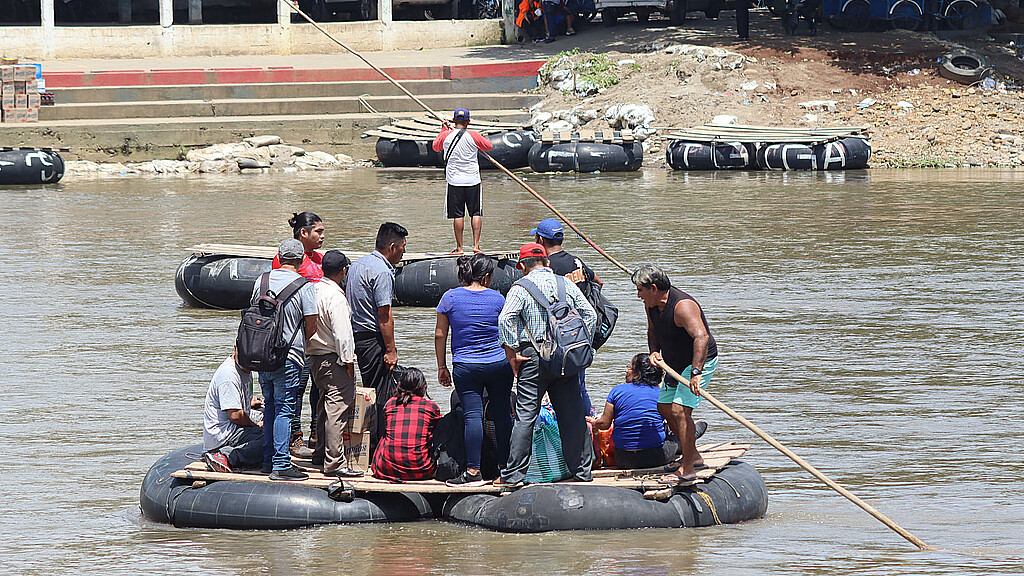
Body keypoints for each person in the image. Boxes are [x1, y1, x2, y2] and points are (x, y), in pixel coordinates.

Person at [498, 243, 597, 488]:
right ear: (548, 263)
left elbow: (505, 319)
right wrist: (583, 346)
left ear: (521, 266)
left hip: (532, 357)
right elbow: (591, 316)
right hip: (566, 358)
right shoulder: (566, 284)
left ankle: (514, 476)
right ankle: (582, 471)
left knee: (526, 416)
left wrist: (512, 352)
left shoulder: (520, 288)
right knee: (573, 416)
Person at [633, 264, 718, 487]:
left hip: (698, 362)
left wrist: (696, 373)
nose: (638, 295)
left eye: (640, 290)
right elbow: (652, 331)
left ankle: (687, 469)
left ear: (653, 288)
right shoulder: (651, 305)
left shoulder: (683, 307)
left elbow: (702, 338)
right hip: (674, 363)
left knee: (681, 410)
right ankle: (695, 456)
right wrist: (654, 352)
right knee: (664, 407)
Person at [434, 253, 514, 487]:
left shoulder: (449, 298)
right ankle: (505, 469)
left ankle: (473, 471)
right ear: (487, 277)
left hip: (466, 366)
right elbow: (509, 332)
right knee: (501, 416)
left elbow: (440, 334)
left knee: (473, 416)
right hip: (499, 364)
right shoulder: (498, 299)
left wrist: (442, 366)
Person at [253, 238, 318, 481]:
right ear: (301, 260)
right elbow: (311, 325)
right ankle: (281, 464)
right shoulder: (305, 286)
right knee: (285, 408)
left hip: (261, 356)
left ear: (278, 257)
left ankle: (268, 460)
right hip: (289, 356)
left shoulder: (262, 281)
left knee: (269, 405)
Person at [531, 217, 604, 414]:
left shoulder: (547, 267)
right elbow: (599, 282)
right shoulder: (576, 261)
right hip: (581, 332)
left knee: (557, 387)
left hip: (558, 336)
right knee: (580, 384)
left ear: (540, 240)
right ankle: (589, 425)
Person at [347, 222, 408, 450]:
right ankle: (378, 446)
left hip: (357, 337)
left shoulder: (358, 265)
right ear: (392, 247)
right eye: (403, 247)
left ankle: (369, 444)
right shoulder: (382, 272)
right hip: (373, 339)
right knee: (380, 393)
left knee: (369, 389)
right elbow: (384, 315)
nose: (404, 252)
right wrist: (391, 350)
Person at [306, 250, 363, 478]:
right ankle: (334, 463)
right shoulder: (336, 297)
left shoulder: (312, 290)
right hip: (333, 358)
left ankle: (320, 454)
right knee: (336, 411)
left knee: (323, 408)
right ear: (343, 271)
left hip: (315, 358)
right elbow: (343, 335)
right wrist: (348, 362)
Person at [272, 211, 324, 458]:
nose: (323, 236)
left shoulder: (319, 259)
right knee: (294, 390)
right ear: (303, 233)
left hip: (318, 337)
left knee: (318, 388)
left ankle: (316, 433)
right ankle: (294, 438)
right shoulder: (286, 264)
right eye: (318, 231)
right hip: (295, 337)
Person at [588, 353, 677, 470]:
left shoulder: (617, 391)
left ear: (637, 374)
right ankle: (693, 434)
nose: (626, 370)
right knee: (676, 438)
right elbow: (675, 424)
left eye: (629, 368)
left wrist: (593, 422)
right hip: (655, 458)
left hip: (623, 459)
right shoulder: (661, 395)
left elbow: (604, 424)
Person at [431, 108, 494, 255]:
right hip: (473, 179)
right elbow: (488, 146)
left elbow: (435, 147)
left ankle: (459, 248)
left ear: (454, 121)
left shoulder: (446, 135)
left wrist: (443, 129)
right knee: (476, 212)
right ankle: (476, 246)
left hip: (454, 181)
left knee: (458, 215)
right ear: (468, 121)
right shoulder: (474, 135)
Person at [371, 368, 442, 482]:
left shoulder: (390, 404)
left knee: (387, 435)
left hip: (386, 469)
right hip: (422, 470)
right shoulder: (431, 407)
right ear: (423, 387)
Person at [202, 350, 264, 474]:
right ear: (236, 348)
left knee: (265, 413)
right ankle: (225, 456)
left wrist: (249, 403)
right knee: (271, 441)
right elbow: (235, 416)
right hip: (224, 435)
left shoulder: (245, 368)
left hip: (234, 425)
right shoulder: (228, 376)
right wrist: (255, 425)